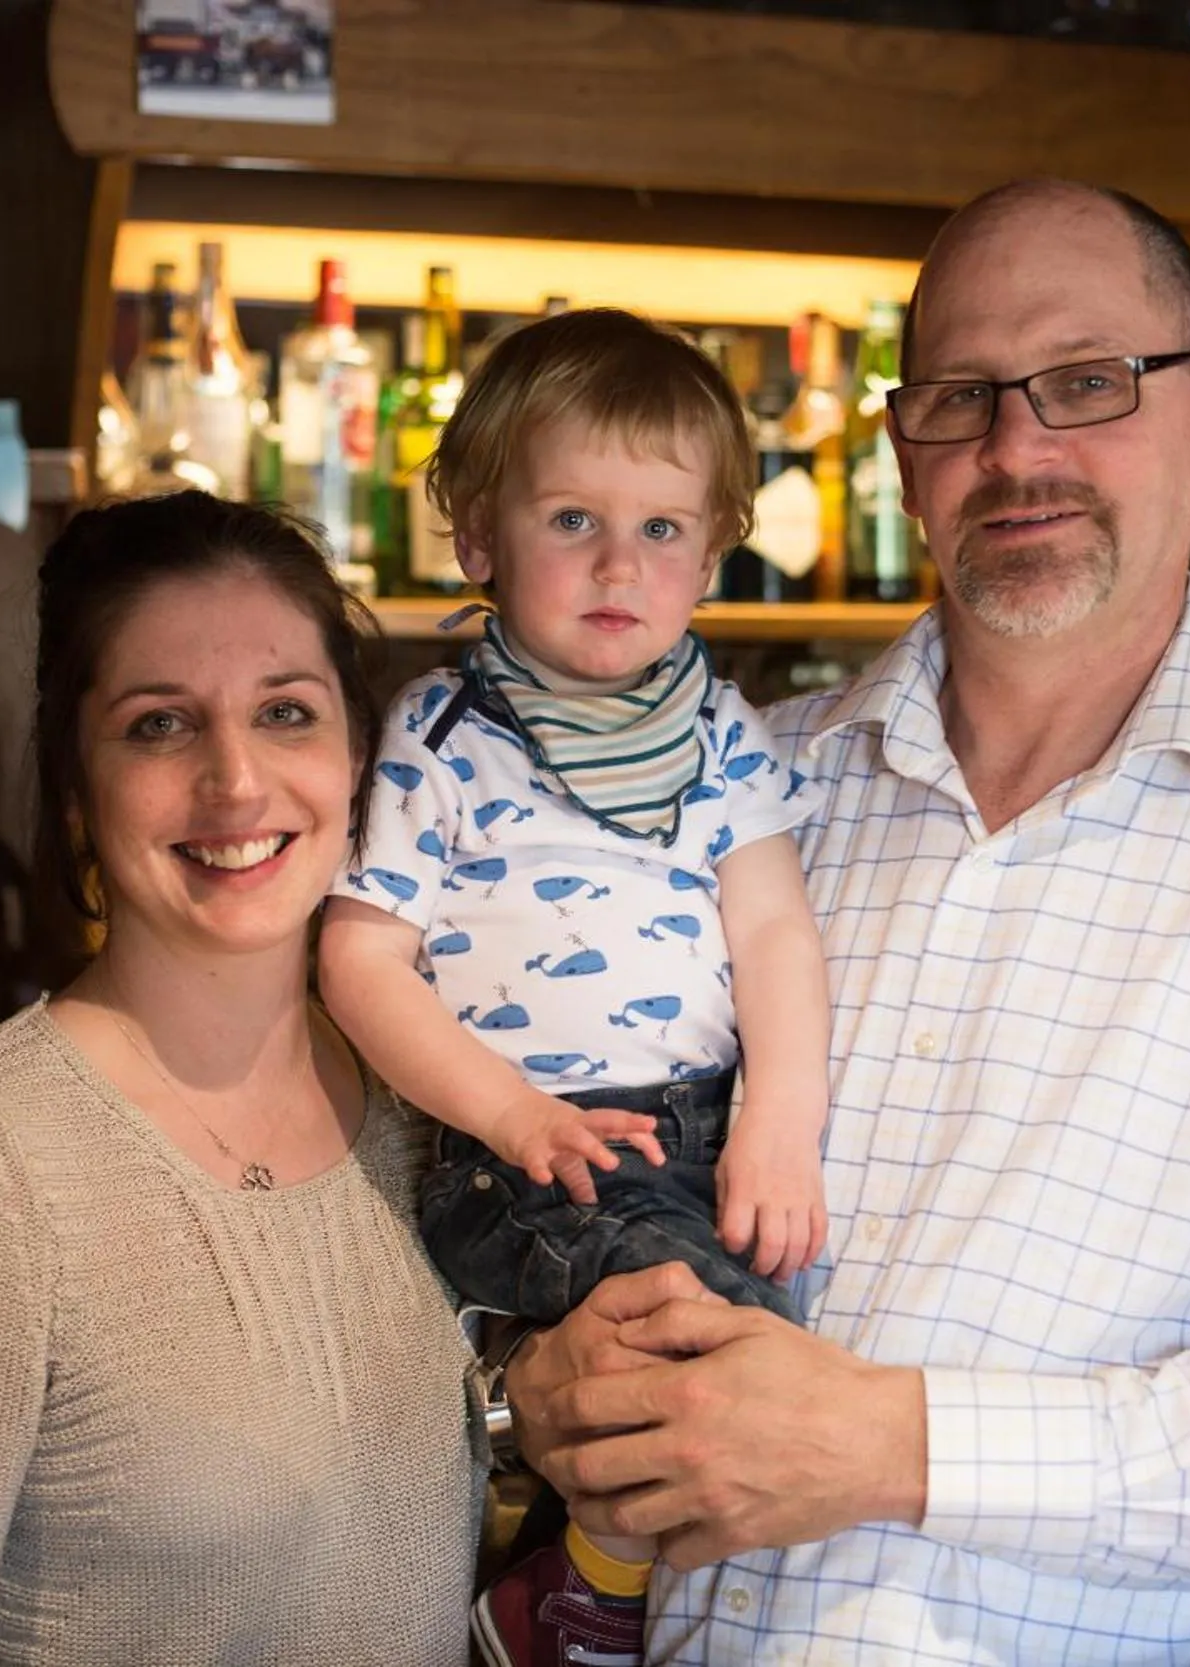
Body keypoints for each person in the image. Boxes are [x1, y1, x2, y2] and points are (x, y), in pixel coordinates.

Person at [506, 179, 1190, 1663]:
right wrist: (527, 1376)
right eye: (961, 397)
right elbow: (528, 1153)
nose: (1016, 447)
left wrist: (895, 1441)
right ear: (903, 453)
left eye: (1088, 383)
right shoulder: (735, 790)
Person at [0, 492, 480, 1666]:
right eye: (160, 724)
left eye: (286, 713)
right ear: (74, 797)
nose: (237, 780)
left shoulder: (426, 1106)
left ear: (359, 764)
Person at [319, 308, 832, 1667]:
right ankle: (578, 1594)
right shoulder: (438, 729)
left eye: (663, 528)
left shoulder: (718, 728)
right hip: (528, 1150)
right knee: (686, 1325)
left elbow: (776, 935)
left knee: (759, 1337)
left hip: (701, 1127)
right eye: (570, 519)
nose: (620, 559)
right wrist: (511, 1117)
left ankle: (585, 1570)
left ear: (715, 550)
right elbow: (360, 958)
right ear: (480, 537)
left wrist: (777, 1123)